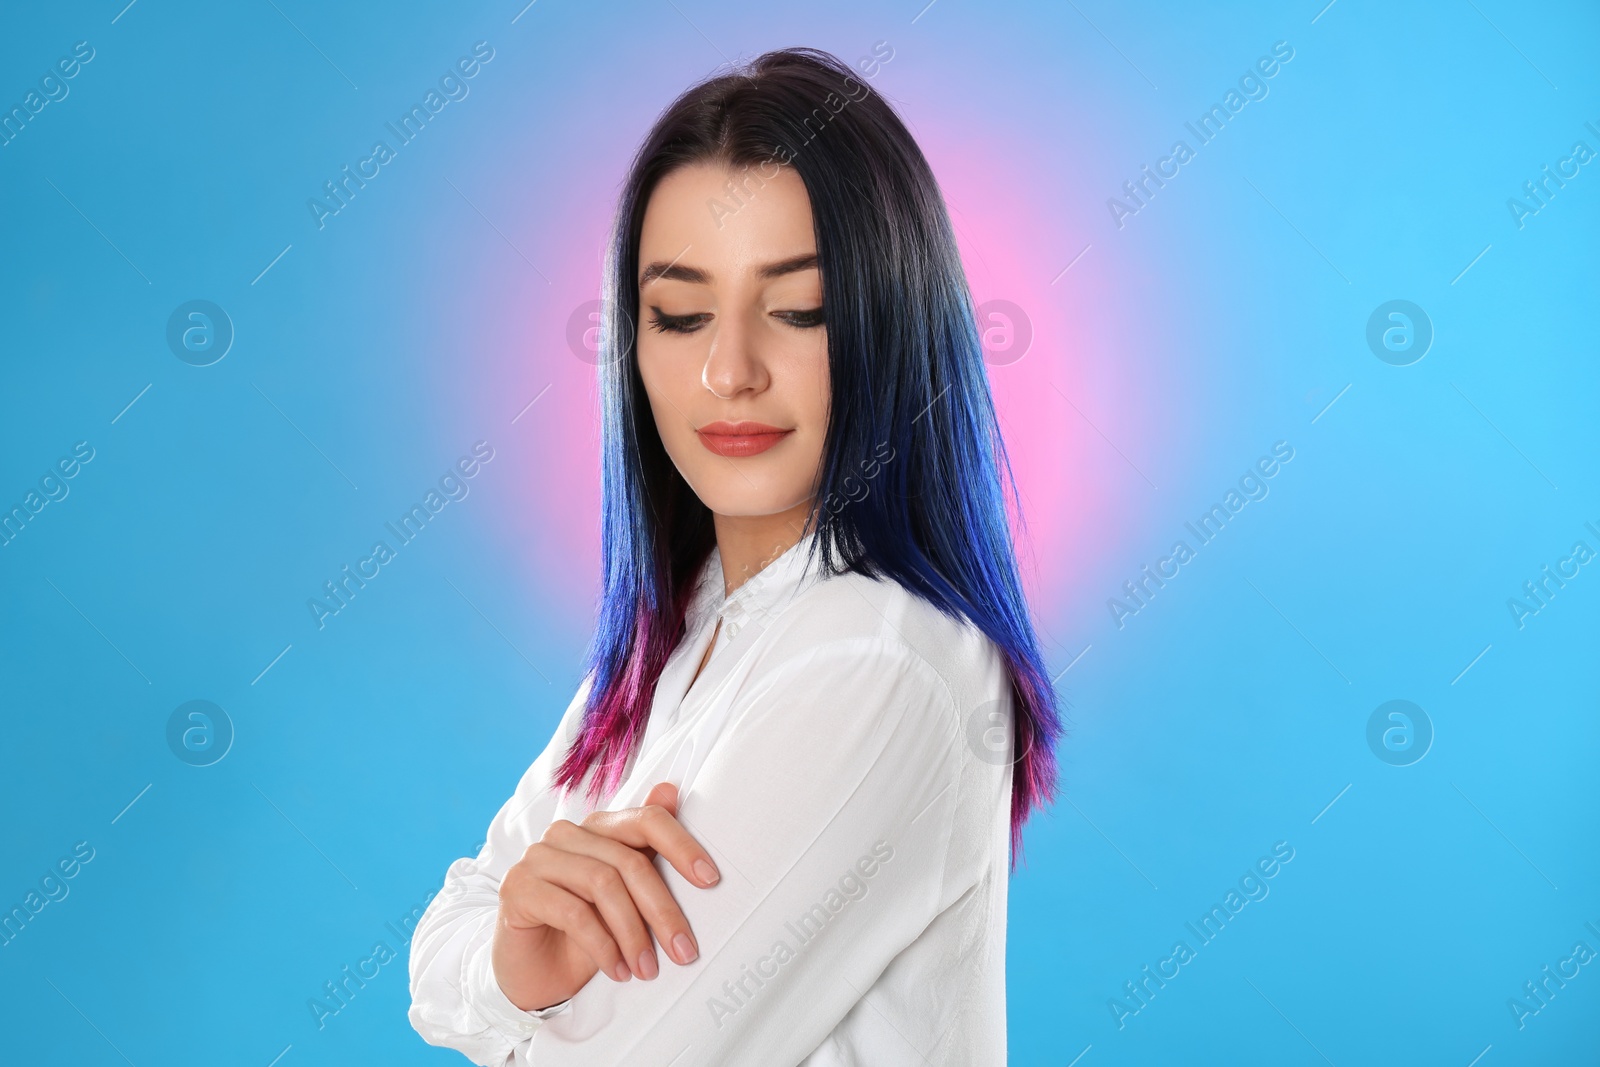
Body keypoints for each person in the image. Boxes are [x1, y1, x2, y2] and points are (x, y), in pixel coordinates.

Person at [408, 45, 1063, 1066]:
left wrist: (516, 1001)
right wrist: (515, 963)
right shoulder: (686, 627)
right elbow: (447, 936)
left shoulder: (875, 659)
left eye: (798, 309)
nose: (729, 370)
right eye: (679, 314)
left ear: (893, 323)